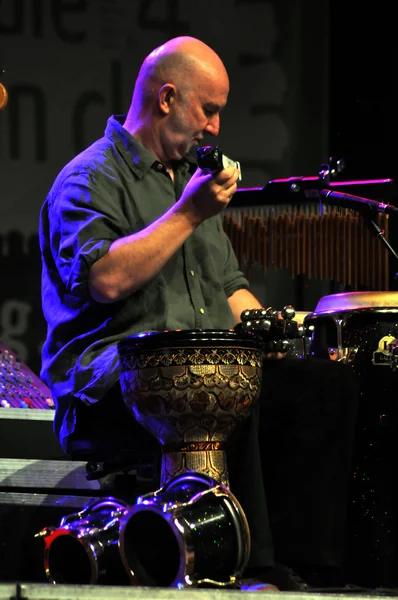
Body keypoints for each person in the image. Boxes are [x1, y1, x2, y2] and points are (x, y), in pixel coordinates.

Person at [39, 36, 359, 591]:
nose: (215, 127)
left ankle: (313, 566)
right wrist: (189, 212)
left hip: (192, 373)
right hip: (111, 388)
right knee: (219, 379)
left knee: (320, 383)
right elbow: (105, 278)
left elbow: (231, 291)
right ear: (166, 98)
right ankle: (254, 569)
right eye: (208, 109)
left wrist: (290, 333)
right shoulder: (90, 180)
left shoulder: (189, 183)